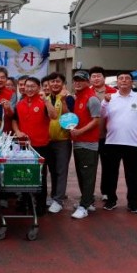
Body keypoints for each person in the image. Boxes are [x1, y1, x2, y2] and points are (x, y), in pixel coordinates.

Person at [100, 71, 137, 214]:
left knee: (132, 175)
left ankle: (132, 203)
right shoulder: (109, 98)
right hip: (112, 142)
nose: (124, 80)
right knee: (111, 174)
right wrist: (105, 102)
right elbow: (101, 115)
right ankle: (111, 200)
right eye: (121, 78)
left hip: (132, 143)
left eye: (127, 78)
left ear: (132, 82)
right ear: (117, 82)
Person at [11, 77, 57, 215]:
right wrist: (17, 131)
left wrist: (46, 101)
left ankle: (40, 206)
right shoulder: (20, 104)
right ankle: (25, 203)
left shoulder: (43, 102)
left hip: (41, 146)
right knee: (23, 175)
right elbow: (14, 120)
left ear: (39, 88)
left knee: (40, 177)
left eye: (33, 86)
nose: (29, 89)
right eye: (27, 86)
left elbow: (54, 116)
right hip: (23, 146)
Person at [69, 71, 101, 220]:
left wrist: (80, 131)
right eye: (75, 80)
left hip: (89, 144)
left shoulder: (92, 98)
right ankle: (88, 201)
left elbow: (96, 120)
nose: (77, 82)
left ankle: (84, 206)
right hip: (78, 142)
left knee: (88, 175)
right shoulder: (78, 97)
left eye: (81, 80)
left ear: (88, 82)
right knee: (82, 175)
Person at [45, 72, 74, 214]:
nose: (55, 84)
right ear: (48, 84)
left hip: (62, 141)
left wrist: (62, 101)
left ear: (63, 84)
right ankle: (53, 196)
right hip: (47, 141)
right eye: (52, 82)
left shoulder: (68, 98)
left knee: (61, 171)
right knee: (52, 171)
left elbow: (69, 119)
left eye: (58, 81)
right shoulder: (45, 98)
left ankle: (58, 200)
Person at [89, 66, 117, 201]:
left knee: (108, 166)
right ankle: (89, 192)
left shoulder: (114, 93)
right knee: (90, 167)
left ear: (104, 78)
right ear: (90, 79)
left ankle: (106, 191)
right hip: (90, 137)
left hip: (108, 137)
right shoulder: (85, 93)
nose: (96, 78)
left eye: (98, 76)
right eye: (93, 76)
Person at [0, 67, 16, 133]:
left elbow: (12, 115)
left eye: (3, 77)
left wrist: (8, 109)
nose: (0, 80)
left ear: (6, 79)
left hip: (5, 131)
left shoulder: (12, 94)